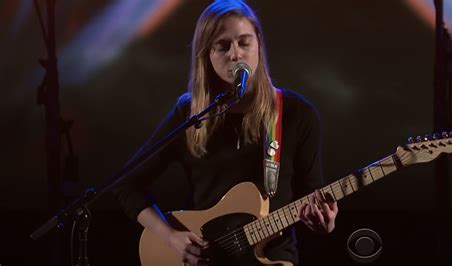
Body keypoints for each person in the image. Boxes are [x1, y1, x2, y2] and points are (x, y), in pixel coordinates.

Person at [113, 0, 338, 265]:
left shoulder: (297, 114)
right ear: (206, 55)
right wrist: (170, 237)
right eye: (223, 46)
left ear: (259, 46)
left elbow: (313, 198)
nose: (236, 54)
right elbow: (126, 184)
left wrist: (324, 222)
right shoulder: (190, 114)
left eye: (244, 42)